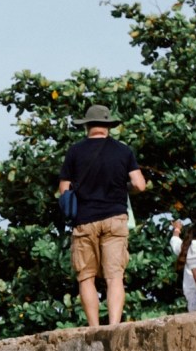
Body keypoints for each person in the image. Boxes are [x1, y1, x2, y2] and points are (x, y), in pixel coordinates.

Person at [57, 105, 148, 327]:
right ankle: (114, 325)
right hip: (115, 218)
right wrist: (124, 187)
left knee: (86, 276)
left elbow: (64, 190)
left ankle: (94, 327)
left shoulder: (75, 152)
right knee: (114, 276)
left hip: (85, 220)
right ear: (108, 126)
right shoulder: (123, 151)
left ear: (87, 126)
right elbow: (140, 184)